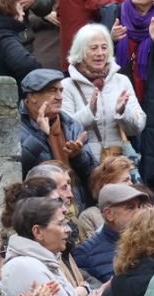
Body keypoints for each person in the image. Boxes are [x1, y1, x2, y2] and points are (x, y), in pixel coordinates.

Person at [63, 23, 146, 158]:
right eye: (93, 48)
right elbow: (65, 129)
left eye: (104, 47)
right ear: (80, 52)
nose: (100, 53)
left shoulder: (121, 81)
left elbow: (138, 126)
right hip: (84, 161)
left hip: (117, 161)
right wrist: (89, 111)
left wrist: (123, 112)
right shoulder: (67, 85)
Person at [18, 68, 100, 204]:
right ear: (32, 96)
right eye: (52, 90)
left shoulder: (71, 125)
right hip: (40, 207)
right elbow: (15, 169)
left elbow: (91, 171)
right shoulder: (15, 126)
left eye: (61, 90)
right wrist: (40, 135)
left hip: (75, 204)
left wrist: (78, 156)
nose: (59, 97)